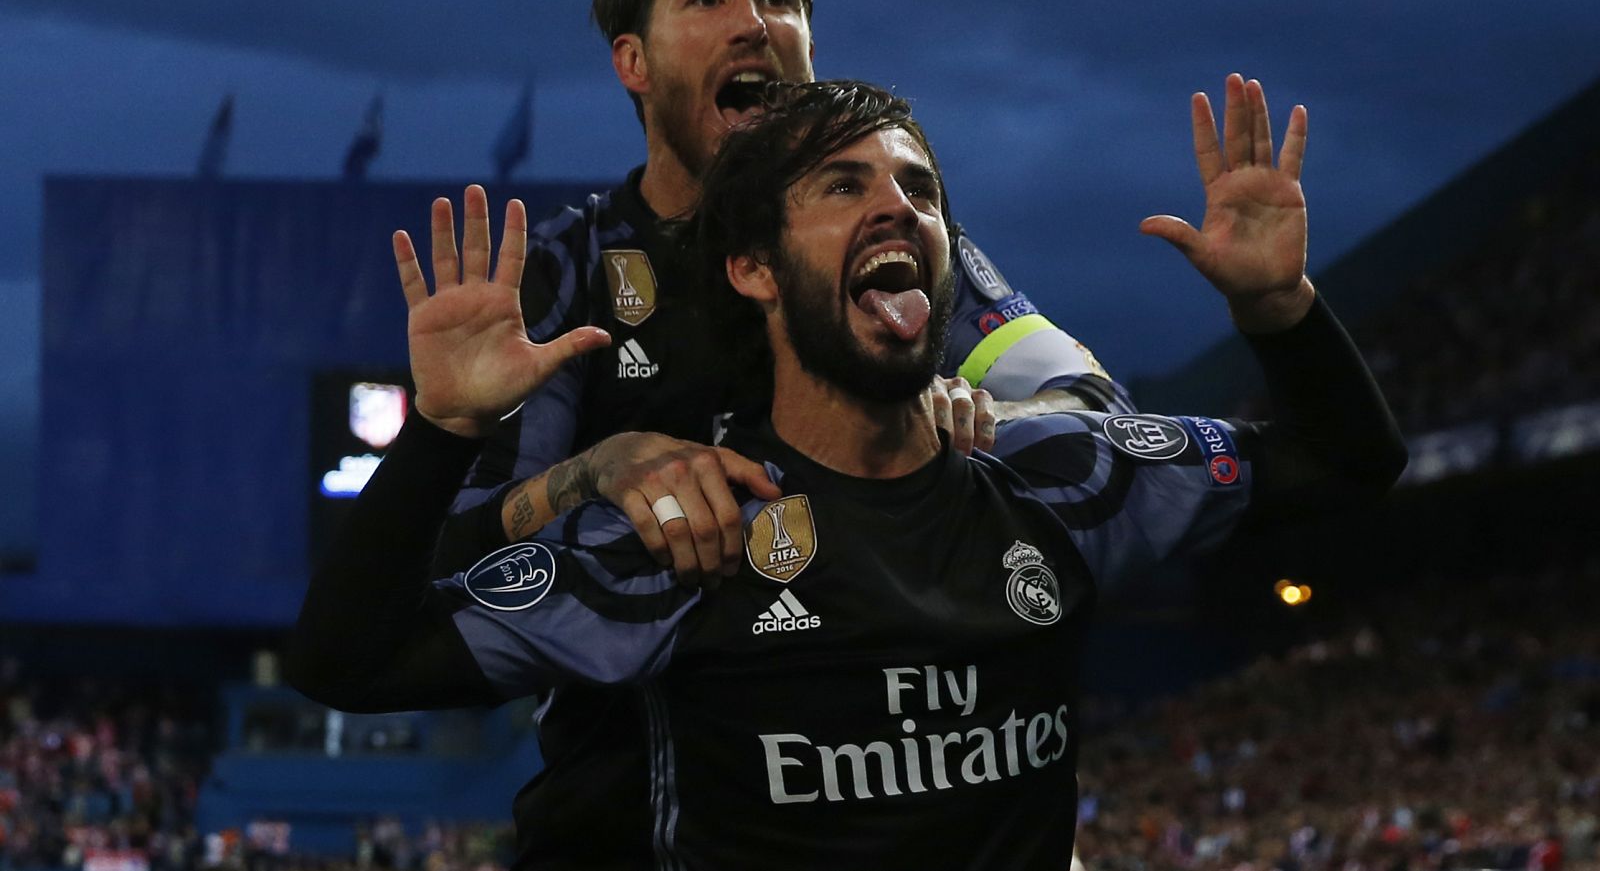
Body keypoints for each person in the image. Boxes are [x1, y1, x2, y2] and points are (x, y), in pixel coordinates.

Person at [289, 75, 1407, 870]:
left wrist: (1278, 309)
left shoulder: (1058, 475)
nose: (896, 205)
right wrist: (438, 426)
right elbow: (350, 657)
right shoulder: (690, 533)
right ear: (751, 268)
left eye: (919, 189)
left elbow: (1349, 463)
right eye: (840, 185)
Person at [433, 0, 1129, 588]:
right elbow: (455, 540)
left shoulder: (891, 243)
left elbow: (1095, 403)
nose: (755, 25)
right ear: (633, 62)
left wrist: (992, 413)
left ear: (811, 46)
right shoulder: (568, 266)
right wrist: (594, 470)